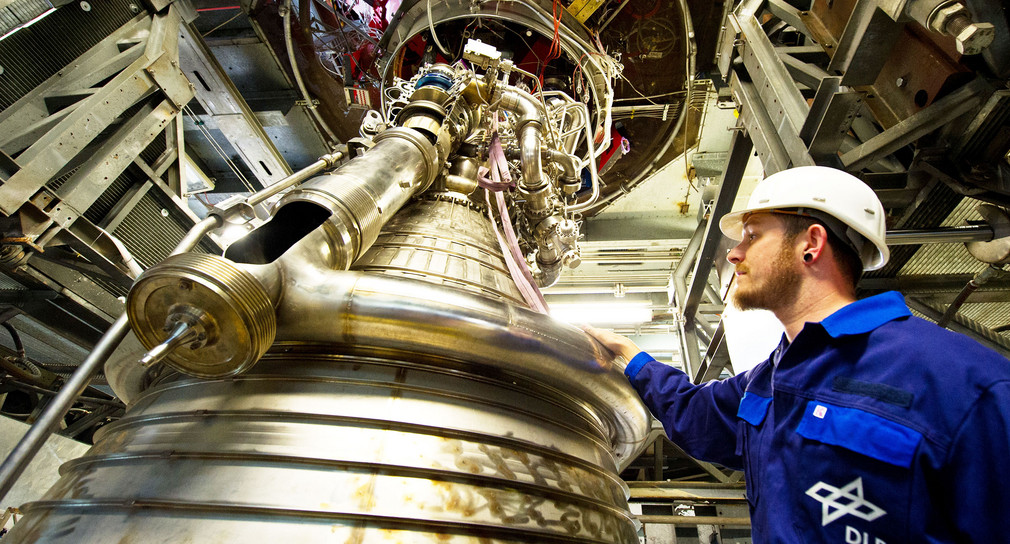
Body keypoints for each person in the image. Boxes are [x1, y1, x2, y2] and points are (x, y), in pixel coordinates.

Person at [585, 166, 1010, 543]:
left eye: (753, 236)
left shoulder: (967, 383)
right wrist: (633, 357)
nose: (734, 253)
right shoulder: (771, 379)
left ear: (811, 243)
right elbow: (696, 415)